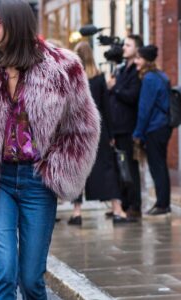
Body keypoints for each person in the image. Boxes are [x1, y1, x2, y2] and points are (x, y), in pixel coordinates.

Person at [0, 1, 100, 299]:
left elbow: (83, 128)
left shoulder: (63, 67)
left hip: (38, 183)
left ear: (16, 24)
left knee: (32, 279)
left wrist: (57, 171)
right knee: (5, 273)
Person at [67, 41, 136, 226]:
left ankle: (77, 212)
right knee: (108, 169)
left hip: (79, 132)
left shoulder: (74, 80)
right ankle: (117, 210)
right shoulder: (99, 79)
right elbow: (106, 109)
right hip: (99, 130)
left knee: (79, 172)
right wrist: (111, 134)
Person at [107, 34, 144, 218]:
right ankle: (123, 204)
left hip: (128, 126)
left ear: (137, 49)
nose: (124, 48)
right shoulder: (121, 70)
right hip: (117, 126)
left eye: (128, 45)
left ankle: (134, 206)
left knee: (130, 167)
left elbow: (132, 96)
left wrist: (115, 88)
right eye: (125, 45)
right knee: (120, 168)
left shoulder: (136, 72)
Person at [133, 45, 172, 216]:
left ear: (146, 60)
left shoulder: (149, 79)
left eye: (139, 58)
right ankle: (163, 202)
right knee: (161, 166)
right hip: (164, 126)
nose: (136, 61)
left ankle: (162, 204)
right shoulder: (162, 75)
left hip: (154, 128)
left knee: (157, 167)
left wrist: (138, 133)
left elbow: (145, 109)